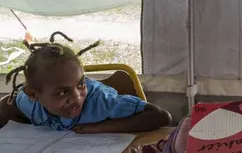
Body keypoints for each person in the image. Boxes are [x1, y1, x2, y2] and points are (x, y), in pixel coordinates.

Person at [0, 31, 171, 133]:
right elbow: (5, 107)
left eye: (81, 84)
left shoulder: (100, 102)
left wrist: (99, 128)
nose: (77, 97)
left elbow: (160, 116)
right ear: (33, 95)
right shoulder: (28, 103)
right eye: (62, 92)